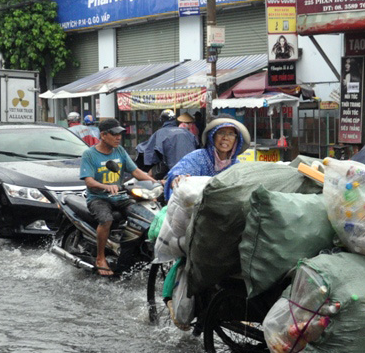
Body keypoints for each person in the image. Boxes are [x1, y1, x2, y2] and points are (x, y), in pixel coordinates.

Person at [79, 118, 158, 277]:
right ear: (103, 135)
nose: (118, 138)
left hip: (120, 197)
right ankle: (100, 258)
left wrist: (157, 182)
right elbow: (89, 181)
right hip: (98, 198)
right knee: (106, 220)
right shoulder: (89, 154)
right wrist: (105, 186)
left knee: (147, 215)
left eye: (120, 134)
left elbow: (136, 172)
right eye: (114, 134)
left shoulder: (120, 151)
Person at [164, 117, 250, 199]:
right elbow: (178, 173)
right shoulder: (198, 157)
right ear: (212, 136)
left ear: (236, 140)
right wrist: (178, 179)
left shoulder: (236, 166)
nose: (225, 138)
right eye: (221, 133)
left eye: (231, 134)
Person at [137, 109, 198, 178]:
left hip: (171, 171)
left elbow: (149, 152)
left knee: (149, 175)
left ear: (162, 121)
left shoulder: (160, 133)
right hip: (190, 171)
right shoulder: (187, 133)